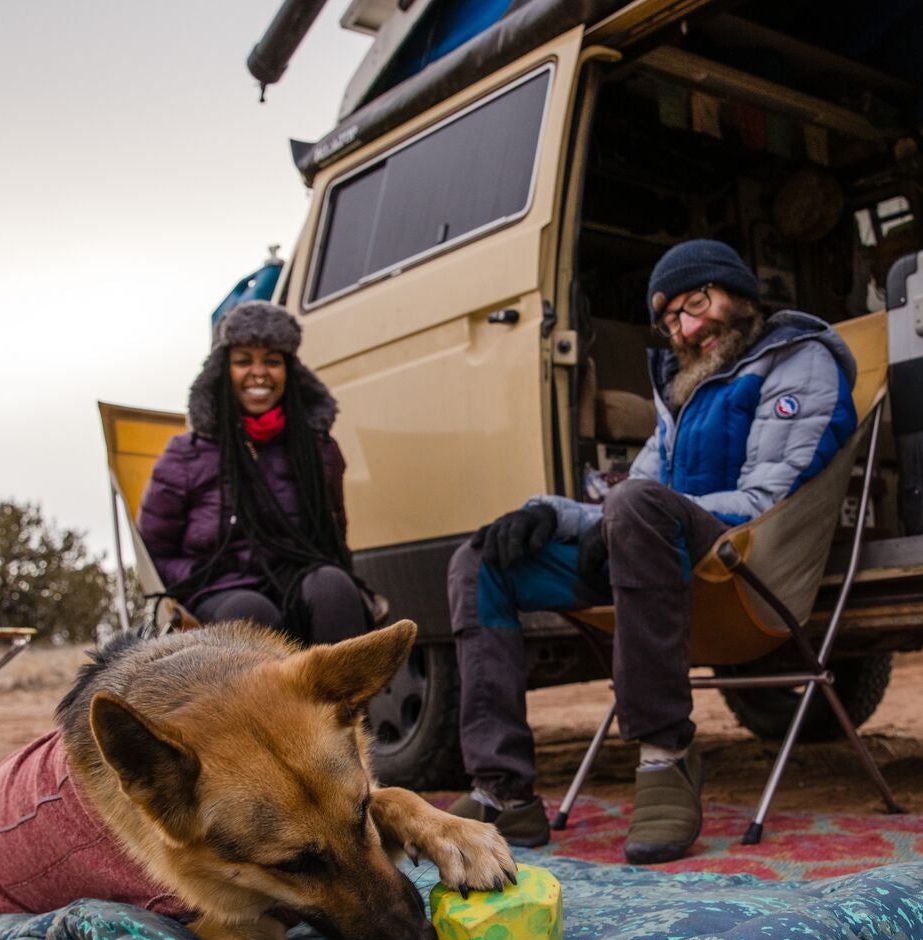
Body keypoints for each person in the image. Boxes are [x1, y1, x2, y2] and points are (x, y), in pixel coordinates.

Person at [446, 240, 859, 863]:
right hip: (658, 558)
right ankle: (504, 792)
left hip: (747, 571)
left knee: (635, 506)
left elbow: (767, 500)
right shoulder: (684, 393)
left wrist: (627, 514)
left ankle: (666, 753)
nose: (689, 328)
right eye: (672, 321)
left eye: (699, 303)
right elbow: (640, 489)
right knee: (481, 559)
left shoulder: (798, 363)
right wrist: (548, 512)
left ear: (739, 295)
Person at [139, 301, 373, 644]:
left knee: (333, 587)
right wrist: (201, 575)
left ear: (289, 373)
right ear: (223, 371)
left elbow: (334, 534)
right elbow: (154, 552)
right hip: (218, 592)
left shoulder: (318, 451)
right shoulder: (185, 456)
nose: (259, 372)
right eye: (244, 360)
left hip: (295, 581)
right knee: (252, 614)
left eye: (272, 361)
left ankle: (345, 699)